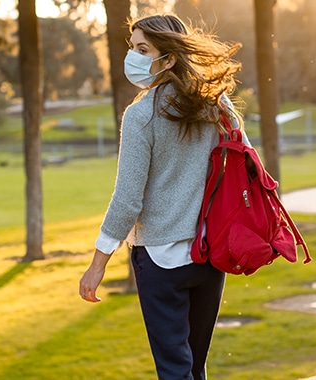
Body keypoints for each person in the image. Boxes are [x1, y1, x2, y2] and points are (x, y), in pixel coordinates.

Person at [78, 14, 245, 380]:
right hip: (209, 254)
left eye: (142, 49)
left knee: (174, 370)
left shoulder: (141, 115)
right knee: (194, 368)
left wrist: (97, 264)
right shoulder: (218, 106)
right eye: (132, 48)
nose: (133, 57)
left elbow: (127, 200)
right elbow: (243, 165)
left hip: (159, 259)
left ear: (168, 58)